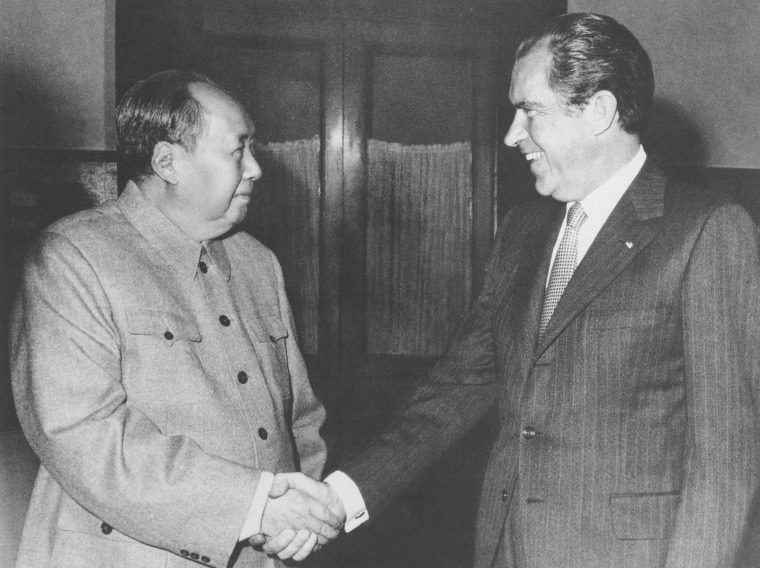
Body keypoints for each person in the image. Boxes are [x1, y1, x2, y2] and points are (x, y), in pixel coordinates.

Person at [261, 12, 760, 568]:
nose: (511, 135)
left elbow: (727, 459)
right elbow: (456, 389)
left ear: (599, 111)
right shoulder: (524, 231)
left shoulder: (707, 230)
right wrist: (341, 497)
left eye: (530, 111)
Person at [10, 70, 343, 567]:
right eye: (237, 150)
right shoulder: (72, 257)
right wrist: (253, 510)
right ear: (168, 162)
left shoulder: (259, 265)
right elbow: (84, 435)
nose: (255, 168)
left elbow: (300, 421)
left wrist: (302, 518)